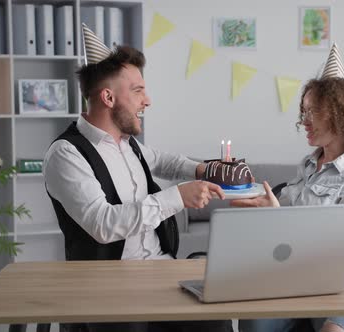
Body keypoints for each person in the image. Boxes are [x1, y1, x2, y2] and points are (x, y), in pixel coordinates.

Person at [43, 26, 231, 332]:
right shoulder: (66, 154)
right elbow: (103, 225)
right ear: (108, 97)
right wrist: (178, 197)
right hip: (107, 284)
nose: (148, 101)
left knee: (215, 319)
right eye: (138, 90)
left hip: (160, 270)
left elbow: (164, 161)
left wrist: (202, 170)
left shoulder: (127, 143)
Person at [232, 61, 344, 331]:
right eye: (303, 111)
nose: (304, 121)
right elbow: (282, 229)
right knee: (253, 323)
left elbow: (337, 240)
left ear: (342, 115)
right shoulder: (307, 166)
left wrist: (277, 216)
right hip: (289, 279)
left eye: (313, 111)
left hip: (339, 287)